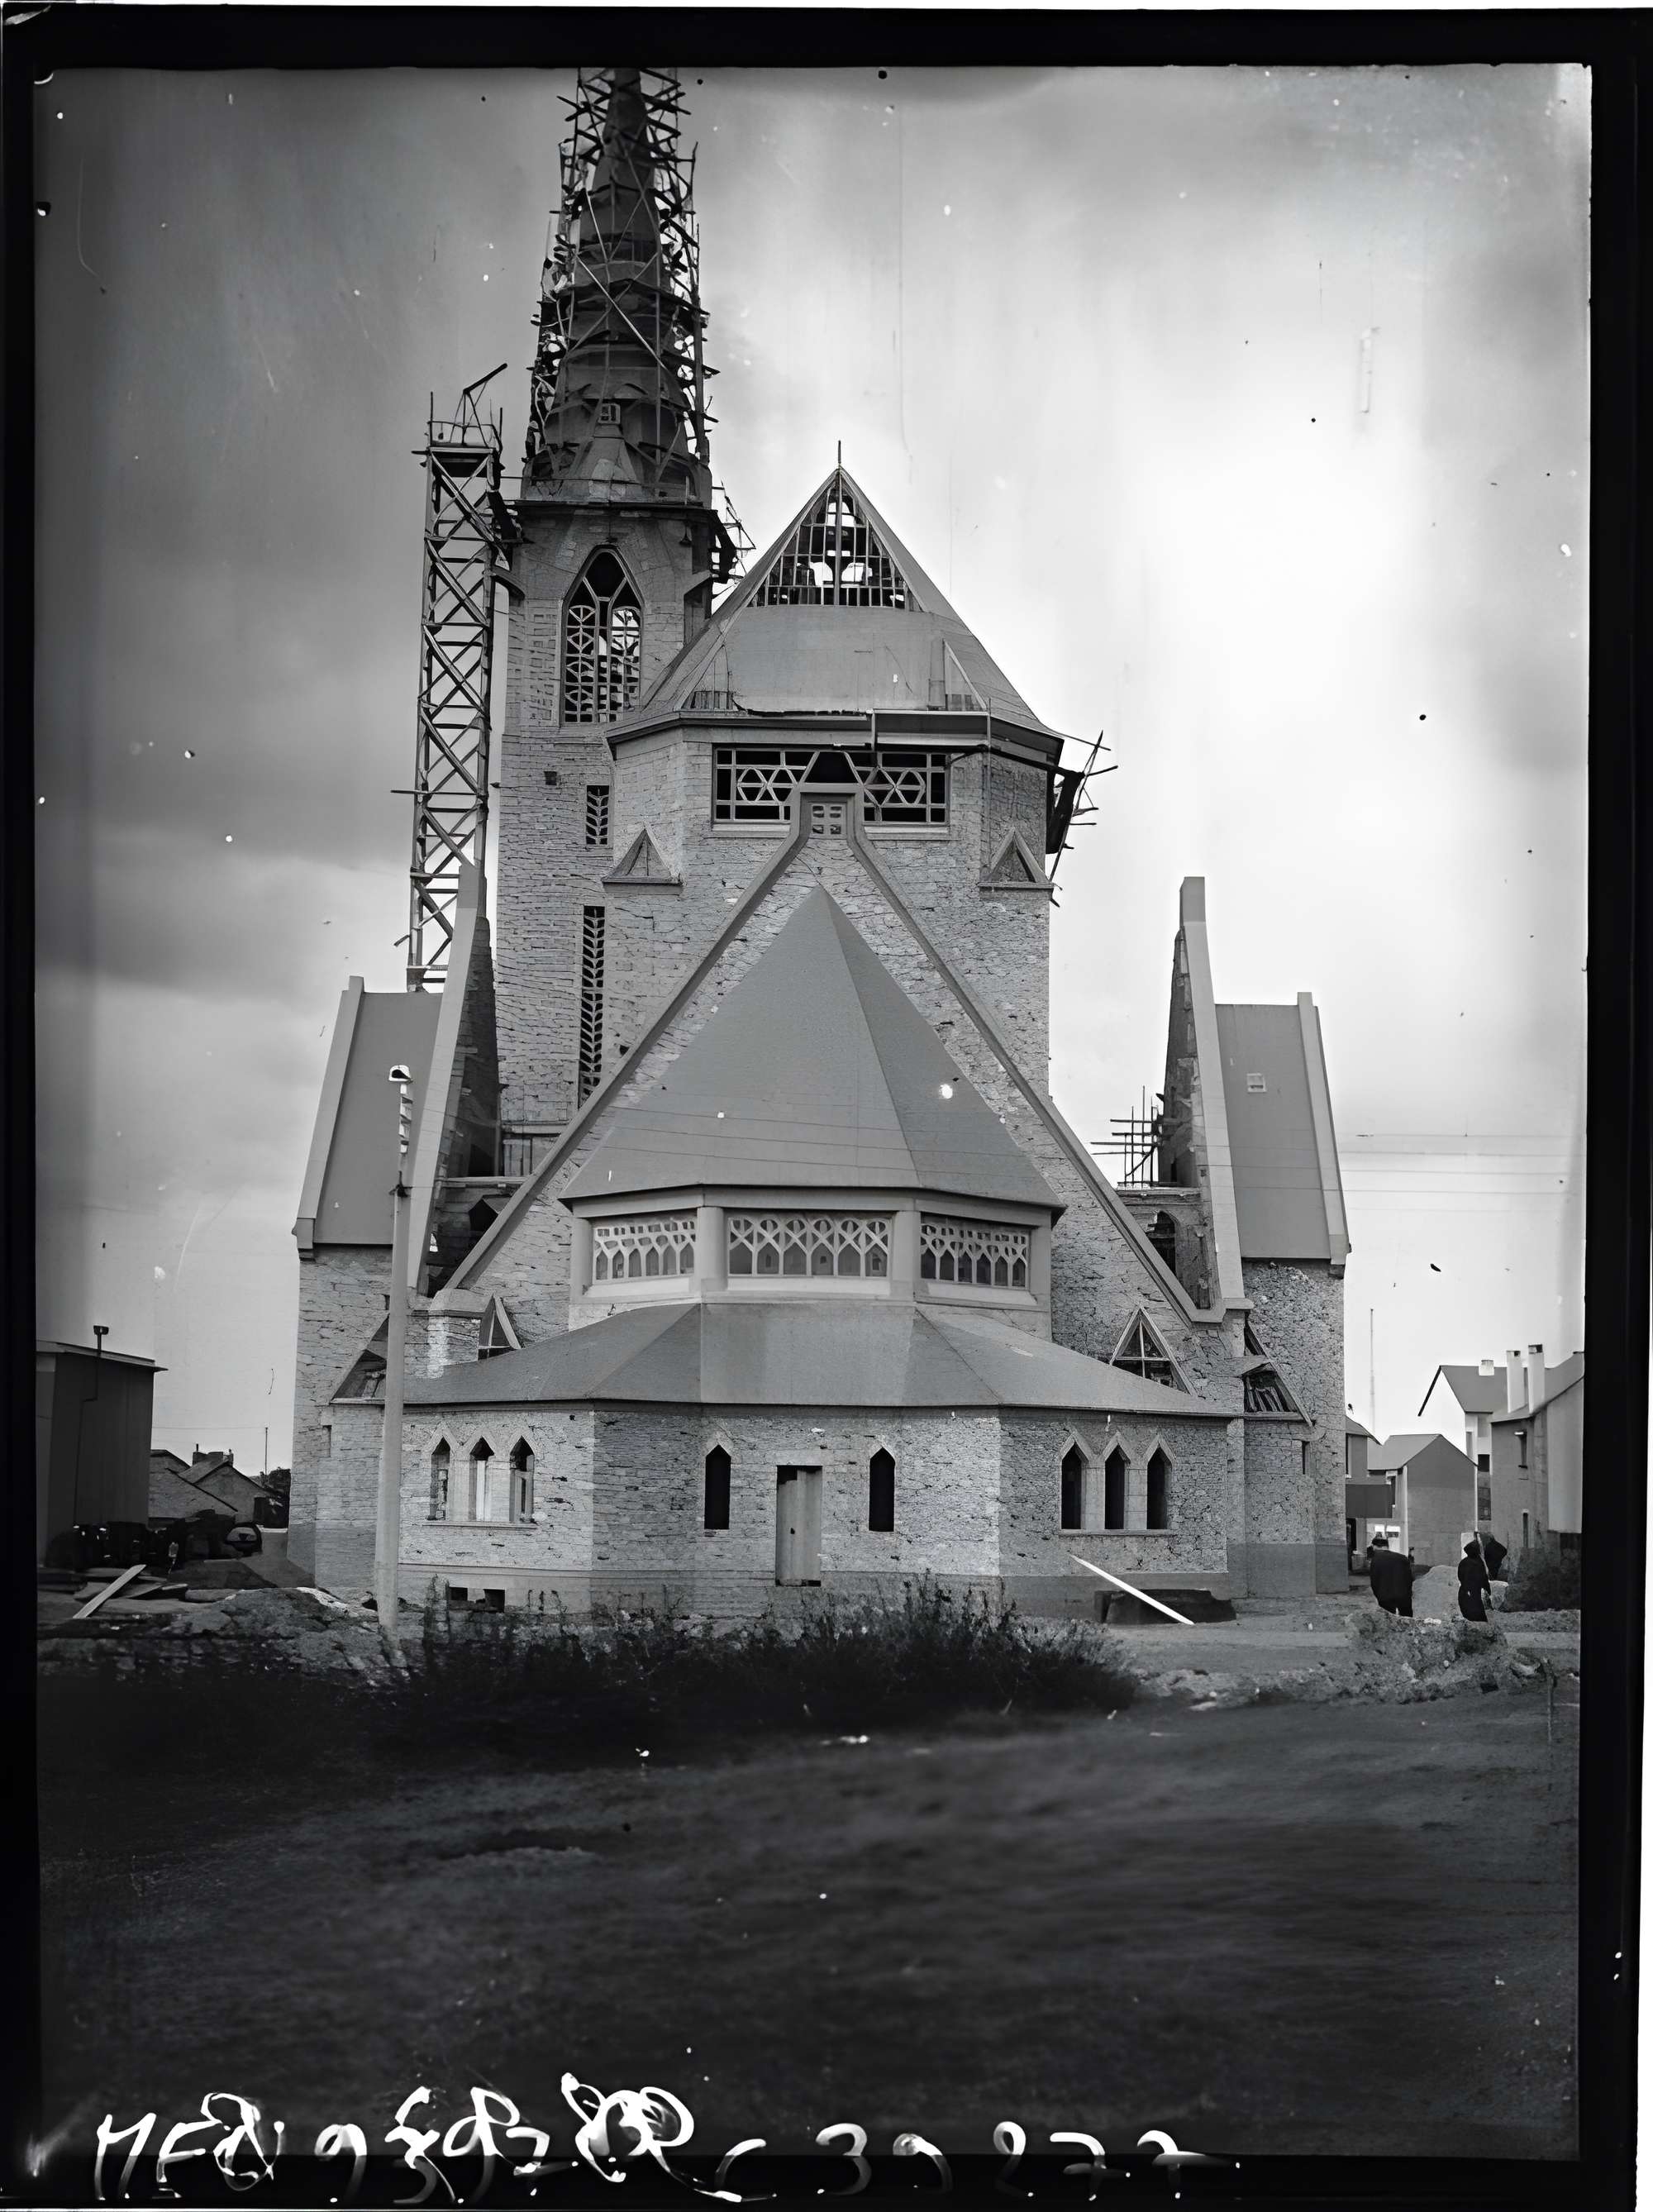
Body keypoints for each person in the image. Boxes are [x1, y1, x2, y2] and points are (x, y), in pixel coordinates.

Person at [1368, 1535, 1415, 1617]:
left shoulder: (1376, 1559)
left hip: (1385, 1596)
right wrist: (1408, 1593)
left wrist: (1378, 1595)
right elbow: (1410, 1578)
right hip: (1403, 1595)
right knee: (1407, 1619)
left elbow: (1375, 1581)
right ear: (1387, 1546)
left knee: (1389, 1621)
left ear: (1374, 1546)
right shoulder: (1402, 1557)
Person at [1457, 1537, 1493, 1623]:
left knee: (1469, 1616)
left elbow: (1460, 1576)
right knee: (1478, 1617)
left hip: (1465, 1592)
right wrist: (1488, 1590)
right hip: (1474, 1593)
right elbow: (1484, 1579)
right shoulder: (1479, 1563)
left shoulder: (1464, 1562)